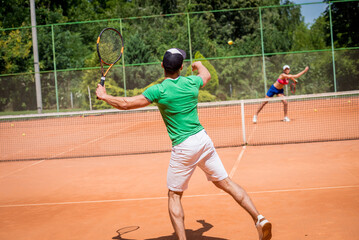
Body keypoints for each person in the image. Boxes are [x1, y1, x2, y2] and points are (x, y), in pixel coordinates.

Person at [96, 48, 272, 240]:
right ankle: (259, 218)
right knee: (227, 183)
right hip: (203, 141)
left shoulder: (159, 90)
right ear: (181, 67)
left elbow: (126, 103)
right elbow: (206, 75)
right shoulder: (191, 82)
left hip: (184, 146)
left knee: (174, 195)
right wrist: (199, 65)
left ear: (162, 66)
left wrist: (104, 96)